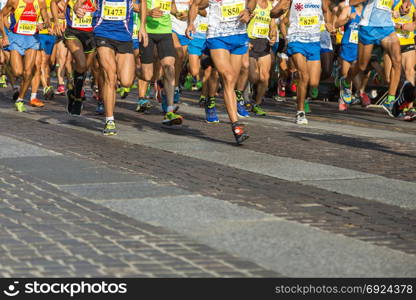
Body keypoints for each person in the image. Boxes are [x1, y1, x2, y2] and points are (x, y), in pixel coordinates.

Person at [187, 0, 256, 144]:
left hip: (239, 35)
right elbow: (195, 4)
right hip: (217, 36)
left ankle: (213, 100)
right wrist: (190, 23)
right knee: (228, 77)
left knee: (231, 82)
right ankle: (236, 125)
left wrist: (248, 10)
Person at [271, 0, 333, 125]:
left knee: (314, 82)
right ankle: (300, 112)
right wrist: (279, 11)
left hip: (314, 42)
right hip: (296, 41)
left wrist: (328, 23)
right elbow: (273, 13)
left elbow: (327, 11)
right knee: (304, 76)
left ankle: (300, 86)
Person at [339, 0, 403, 117]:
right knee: (362, 65)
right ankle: (346, 81)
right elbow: (353, 2)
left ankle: (390, 100)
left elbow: (394, 5)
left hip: (386, 28)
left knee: (397, 61)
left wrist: (400, 10)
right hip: (368, 27)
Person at [92, 0, 148, 135]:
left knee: (126, 81)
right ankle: (109, 120)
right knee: (110, 77)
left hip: (124, 36)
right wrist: (78, 6)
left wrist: (142, 27)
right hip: (103, 33)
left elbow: (143, 3)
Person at [1, 0, 50, 112]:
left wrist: (45, 24)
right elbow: (1, 15)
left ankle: (20, 99)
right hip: (16, 38)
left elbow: (46, 17)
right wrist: (5, 34)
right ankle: (8, 68)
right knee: (17, 72)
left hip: (32, 39)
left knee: (28, 72)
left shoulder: (40, 2)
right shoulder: (14, 1)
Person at [140, 0, 183, 125]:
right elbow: (133, 6)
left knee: (169, 67)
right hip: (147, 32)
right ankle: (129, 72)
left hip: (165, 32)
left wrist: (178, 14)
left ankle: (169, 110)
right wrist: (148, 12)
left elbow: (172, 7)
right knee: (147, 76)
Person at [51, 0, 97, 115]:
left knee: (84, 67)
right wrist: (56, 22)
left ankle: (73, 92)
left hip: (92, 34)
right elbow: (53, 2)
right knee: (81, 64)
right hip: (73, 32)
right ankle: (77, 98)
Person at [246, 0, 276, 116]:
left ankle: (257, 104)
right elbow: (242, 22)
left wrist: (273, 36)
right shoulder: (251, 3)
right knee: (253, 77)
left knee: (264, 77)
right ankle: (243, 96)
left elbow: (272, 25)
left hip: (264, 43)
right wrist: (245, 40)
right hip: (251, 42)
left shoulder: (270, 6)